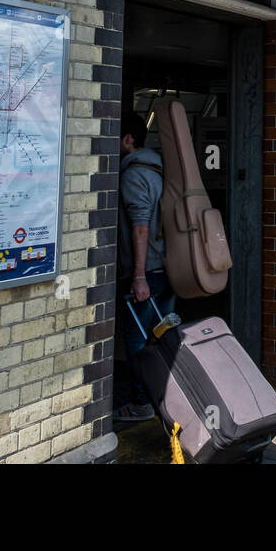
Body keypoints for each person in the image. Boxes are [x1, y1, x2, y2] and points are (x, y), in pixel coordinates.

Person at [115, 110, 173, 421]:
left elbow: (140, 226)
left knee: (138, 342)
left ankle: (143, 403)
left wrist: (138, 275)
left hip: (147, 273)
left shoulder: (134, 174)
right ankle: (168, 396)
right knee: (163, 337)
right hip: (168, 269)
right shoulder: (161, 166)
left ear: (128, 140)